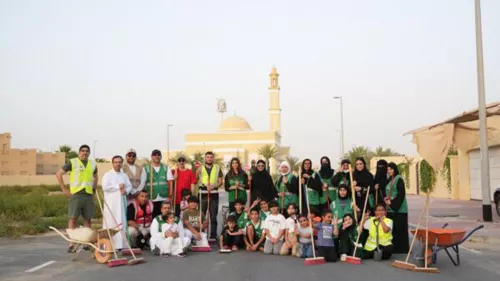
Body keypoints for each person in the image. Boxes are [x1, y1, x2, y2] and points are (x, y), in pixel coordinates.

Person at [55, 144, 98, 253]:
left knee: (87, 219)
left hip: (88, 195)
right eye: (82, 151)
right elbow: (59, 174)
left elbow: (96, 176)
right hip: (76, 195)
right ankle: (72, 243)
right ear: (79, 152)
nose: (85, 153)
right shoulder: (72, 162)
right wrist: (64, 189)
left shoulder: (92, 164)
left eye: (87, 151)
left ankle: (86, 243)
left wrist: (93, 189)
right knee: (73, 218)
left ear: (89, 153)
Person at [102, 155, 132, 250]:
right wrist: (118, 186)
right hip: (111, 205)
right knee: (111, 223)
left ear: (122, 163)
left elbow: (129, 186)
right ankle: (109, 245)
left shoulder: (124, 175)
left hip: (121, 205)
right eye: (116, 162)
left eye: (119, 162)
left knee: (121, 222)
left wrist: (126, 190)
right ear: (112, 163)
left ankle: (121, 245)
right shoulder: (108, 175)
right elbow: (105, 187)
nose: (118, 164)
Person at [197, 151, 223, 241]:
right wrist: (197, 173)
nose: (209, 158)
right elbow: (195, 180)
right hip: (202, 193)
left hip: (214, 194)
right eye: (208, 157)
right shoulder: (200, 168)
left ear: (213, 158)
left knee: (213, 216)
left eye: (211, 157)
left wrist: (213, 186)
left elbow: (220, 182)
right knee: (202, 215)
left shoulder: (217, 167)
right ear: (205, 158)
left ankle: (213, 236)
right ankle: (202, 234)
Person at [385, 162, 409, 254]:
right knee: (393, 229)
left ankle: (402, 249)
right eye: (388, 169)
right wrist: (387, 199)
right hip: (391, 208)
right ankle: (394, 248)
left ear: (395, 169)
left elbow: (401, 194)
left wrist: (391, 203)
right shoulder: (391, 179)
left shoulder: (399, 179)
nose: (389, 171)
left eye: (391, 169)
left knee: (399, 229)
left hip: (399, 209)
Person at [144, 149, 174, 218]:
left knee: (165, 216)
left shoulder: (166, 168)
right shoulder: (146, 168)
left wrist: (170, 195)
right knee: (153, 216)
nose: (157, 156)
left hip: (164, 197)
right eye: (155, 155)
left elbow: (170, 182)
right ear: (151, 157)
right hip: (151, 197)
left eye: (158, 155)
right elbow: (144, 183)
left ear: (161, 157)